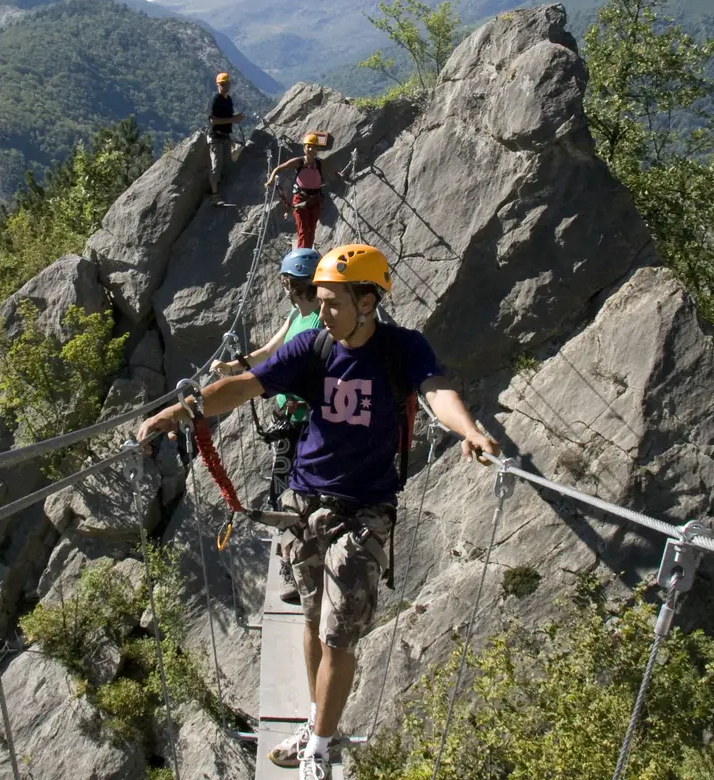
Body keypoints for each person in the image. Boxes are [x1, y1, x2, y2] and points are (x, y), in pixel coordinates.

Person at [139, 243, 500, 779]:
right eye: (318, 300)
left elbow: (436, 389)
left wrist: (467, 428)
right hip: (305, 503)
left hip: (365, 510)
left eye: (331, 301)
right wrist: (183, 411)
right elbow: (244, 386)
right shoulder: (312, 347)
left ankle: (321, 748)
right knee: (311, 619)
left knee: (338, 633)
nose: (320, 311)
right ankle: (315, 723)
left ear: (368, 300)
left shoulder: (402, 349)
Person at [215, 247, 324, 606]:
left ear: (295, 284)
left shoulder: (321, 322)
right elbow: (271, 351)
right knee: (284, 489)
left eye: (286, 281)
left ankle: (299, 570)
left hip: (305, 420)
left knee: (293, 493)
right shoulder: (298, 314)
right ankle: (297, 563)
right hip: (288, 419)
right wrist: (236, 366)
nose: (283, 286)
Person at [267, 134, 335, 250]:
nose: (310, 149)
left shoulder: (319, 163)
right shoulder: (299, 162)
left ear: (317, 149)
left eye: (313, 147)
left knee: (311, 230)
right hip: (301, 199)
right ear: (304, 148)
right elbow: (278, 168)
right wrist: (271, 180)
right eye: (308, 146)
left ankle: (307, 253)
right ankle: (302, 255)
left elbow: (332, 171)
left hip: (315, 200)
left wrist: (342, 176)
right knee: (303, 230)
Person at [208, 72, 243, 200]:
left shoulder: (228, 100)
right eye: (222, 84)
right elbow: (213, 121)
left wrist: (235, 118)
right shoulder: (215, 100)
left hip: (225, 136)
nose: (225, 86)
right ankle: (214, 195)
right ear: (218, 85)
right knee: (216, 166)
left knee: (228, 166)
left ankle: (223, 191)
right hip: (216, 137)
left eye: (227, 83)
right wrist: (232, 119)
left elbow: (229, 117)